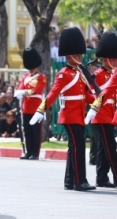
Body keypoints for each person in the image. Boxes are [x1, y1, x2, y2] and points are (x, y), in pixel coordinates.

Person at [30, 27, 96, 191]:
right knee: (78, 146)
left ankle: (70, 180)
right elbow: (52, 93)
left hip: (78, 115)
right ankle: (80, 181)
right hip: (70, 116)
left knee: (73, 147)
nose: (80, 57)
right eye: (77, 55)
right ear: (69, 55)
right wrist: (40, 110)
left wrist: (99, 102)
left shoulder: (79, 73)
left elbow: (86, 95)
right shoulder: (63, 74)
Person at [85, 31, 117, 188]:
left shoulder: (112, 74)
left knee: (103, 149)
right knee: (110, 147)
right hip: (100, 114)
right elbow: (91, 94)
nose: (114, 61)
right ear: (105, 59)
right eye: (111, 58)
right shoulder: (97, 75)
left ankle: (102, 177)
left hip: (109, 113)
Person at [14, 47, 47, 160]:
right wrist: (19, 93)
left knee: (36, 131)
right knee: (27, 131)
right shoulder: (25, 77)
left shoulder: (42, 77)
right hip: (26, 107)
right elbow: (20, 89)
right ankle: (28, 151)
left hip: (36, 108)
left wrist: (23, 92)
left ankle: (35, 153)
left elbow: (37, 90)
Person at [86, 58, 102, 165]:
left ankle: (93, 157)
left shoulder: (97, 76)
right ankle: (96, 157)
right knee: (96, 134)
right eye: (95, 66)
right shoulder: (92, 77)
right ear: (91, 66)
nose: (97, 67)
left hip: (100, 105)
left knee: (95, 134)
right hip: (93, 106)